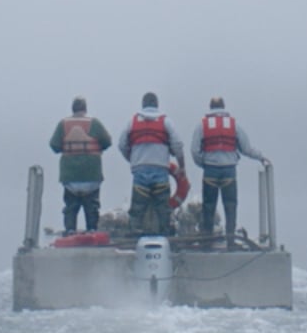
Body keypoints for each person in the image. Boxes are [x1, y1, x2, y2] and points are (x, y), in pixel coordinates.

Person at [191, 95, 268, 240]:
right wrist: (261, 157)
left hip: (210, 170)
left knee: (208, 206)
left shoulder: (202, 125)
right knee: (230, 205)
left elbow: (194, 150)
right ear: (224, 107)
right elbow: (246, 148)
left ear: (210, 107)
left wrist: (203, 163)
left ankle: (207, 238)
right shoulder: (234, 125)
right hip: (229, 170)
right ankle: (230, 238)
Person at [120, 91, 182, 235]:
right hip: (160, 170)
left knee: (137, 208)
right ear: (157, 104)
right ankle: (166, 236)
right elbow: (177, 145)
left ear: (143, 104)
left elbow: (122, 145)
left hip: (140, 171)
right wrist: (182, 165)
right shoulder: (166, 121)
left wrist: (132, 159)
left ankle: (135, 234)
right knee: (163, 209)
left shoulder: (132, 122)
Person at [47, 96, 113, 233]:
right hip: (92, 175)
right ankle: (92, 231)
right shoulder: (94, 123)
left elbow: (54, 146)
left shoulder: (63, 124)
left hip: (70, 177)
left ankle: (70, 231)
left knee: (71, 207)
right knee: (92, 207)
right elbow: (107, 142)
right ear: (85, 109)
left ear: (72, 109)